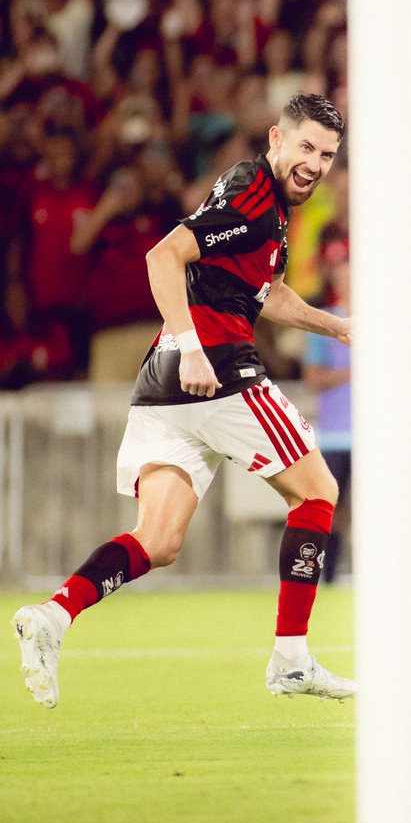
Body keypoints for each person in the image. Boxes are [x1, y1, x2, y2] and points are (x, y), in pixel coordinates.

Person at [13, 93, 355, 708]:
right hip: (216, 366)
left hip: (165, 379)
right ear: (276, 138)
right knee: (319, 491)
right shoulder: (253, 191)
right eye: (306, 147)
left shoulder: (265, 208)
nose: (315, 163)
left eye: (327, 155)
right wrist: (196, 345)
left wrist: (340, 328)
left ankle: (54, 615)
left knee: (160, 539)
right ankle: (292, 659)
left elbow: (265, 294)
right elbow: (162, 254)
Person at [301, 235, 352, 581]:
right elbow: (313, 376)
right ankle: (328, 576)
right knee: (330, 508)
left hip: (375, 437)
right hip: (335, 433)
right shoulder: (323, 324)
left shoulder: (386, 322)